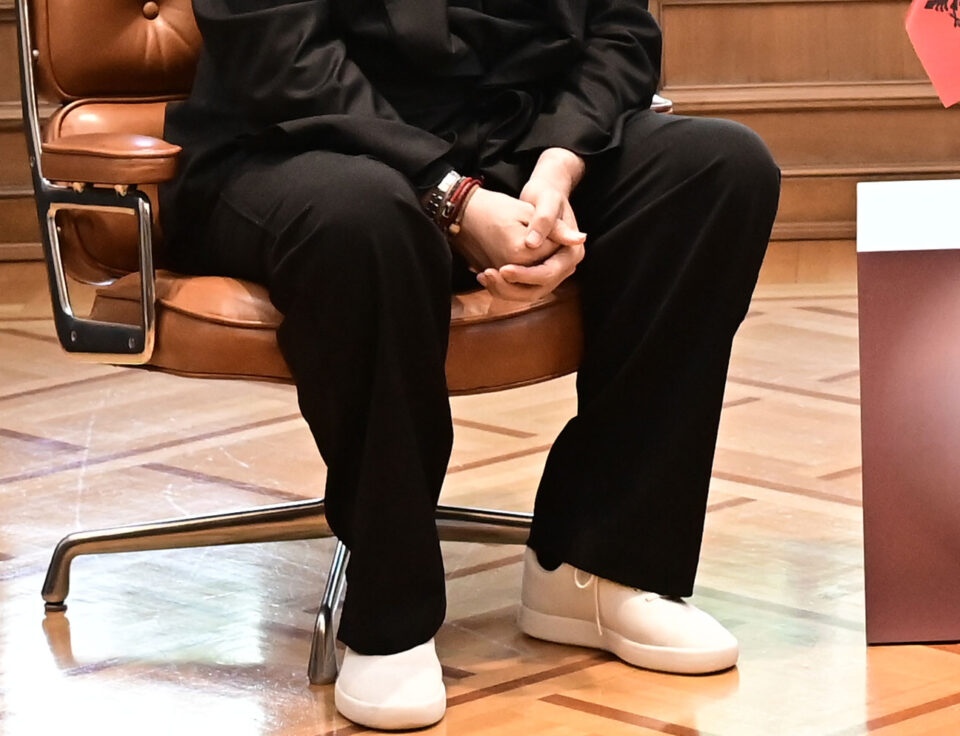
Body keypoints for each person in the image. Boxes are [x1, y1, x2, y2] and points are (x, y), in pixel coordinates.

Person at [161, 0, 781, 730]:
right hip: (298, 142)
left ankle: (596, 565)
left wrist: (559, 164)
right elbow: (280, 54)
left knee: (719, 169)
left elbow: (621, 28)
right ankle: (391, 611)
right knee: (365, 220)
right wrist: (452, 197)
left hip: (514, 140)